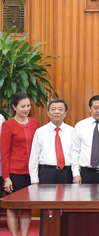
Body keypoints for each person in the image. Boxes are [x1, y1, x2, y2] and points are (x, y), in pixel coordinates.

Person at [1, 92, 40, 236]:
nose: (26, 109)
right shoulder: (8, 125)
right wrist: (6, 177)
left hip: (32, 172)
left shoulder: (35, 123)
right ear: (14, 107)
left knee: (26, 207)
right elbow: (4, 153)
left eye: (28, 105)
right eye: (22, 106)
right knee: (13, 206)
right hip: (15, 173)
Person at [29, 99, 75, 184]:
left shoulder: (72, 131)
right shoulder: (40, 132)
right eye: (53, 109)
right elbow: (34, 157)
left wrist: (76, 174)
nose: (57, 112)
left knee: (67, 197)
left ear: (65, 113)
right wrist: (34, 179)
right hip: (47, 173)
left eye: (60, 109)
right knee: (47, 197)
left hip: (67, 173)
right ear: (48, 113)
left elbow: (75, 155)